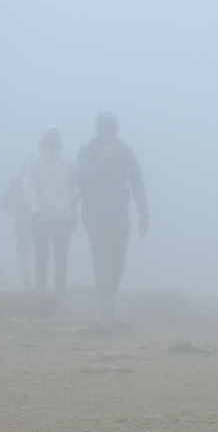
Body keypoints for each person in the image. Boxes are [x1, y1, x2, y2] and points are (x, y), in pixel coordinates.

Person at [76, 112, 148, 319]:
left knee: (118, 262)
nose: (106, 131)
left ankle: (106, 297)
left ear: (115, 129)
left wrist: (144, 213)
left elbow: (137, 182)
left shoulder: (125, 152)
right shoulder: (87, 151)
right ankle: (107, 308)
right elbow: (80, 179)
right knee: (102, 259)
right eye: (103, 127)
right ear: (97, 129)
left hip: (119, 215)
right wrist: (100, 161)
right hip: (94, 214)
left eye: (110, 127)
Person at [22, 128, 78, 296]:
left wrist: (74, 215)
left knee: (61, 260)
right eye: (48, 138)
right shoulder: (34, 164)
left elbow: (72, 190)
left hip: (62, 218)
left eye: (55, 138)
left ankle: (60, 298)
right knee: (42, 259)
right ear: (43, 140)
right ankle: (41, 297)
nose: (52, 141)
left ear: (58, 140)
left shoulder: (68, 163)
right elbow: (29, 190)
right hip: (40, 219)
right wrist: (36, 212)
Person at [0, 166, 33, 290]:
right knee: (35, 249)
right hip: (39, 218)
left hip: (21, 217)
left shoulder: (19, 178)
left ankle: (27, 283)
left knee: (23, 249)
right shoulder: (38, 175)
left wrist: (13, 212)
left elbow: (5, 202)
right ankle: (37, 284)